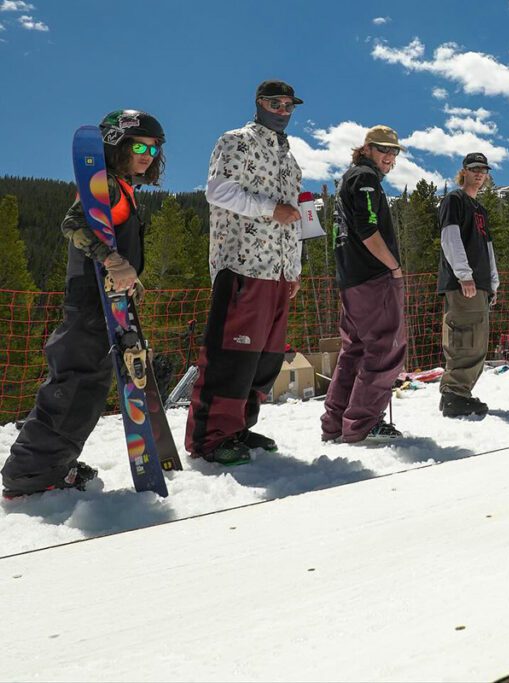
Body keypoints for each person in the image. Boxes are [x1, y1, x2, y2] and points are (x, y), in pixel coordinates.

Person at [2, 110, 165, 497]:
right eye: (139, 146)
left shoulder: (121, 188)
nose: (147, 154)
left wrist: (128, 279)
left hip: (103, 302)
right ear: (116, 145)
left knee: (87, 386)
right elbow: (73, 224)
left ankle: (47, 463)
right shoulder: (105, 185)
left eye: (154, 149)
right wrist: (112, 261)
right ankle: (31, 473)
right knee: (76, 384)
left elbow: (108, 239)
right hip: (90, 305)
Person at [185, 80, 304, 466]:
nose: (283, 110)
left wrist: (295, 269)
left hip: (279, 269)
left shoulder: (289, 157)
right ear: (258, 104)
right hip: (243, 262)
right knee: (232, 355)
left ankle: (238, 427)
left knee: (264, 359)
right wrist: (270, 209)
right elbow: (218, 191)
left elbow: (296, 216)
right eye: (276, 103)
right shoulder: (237, 140)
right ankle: (209, 438)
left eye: (288, 104)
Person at [321, 126, 407, 442]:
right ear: (367, 148)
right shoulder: (365, 179)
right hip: (373, 277)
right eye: (383, 149)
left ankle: (336, 424)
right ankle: (363, 424)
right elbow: (368, 229)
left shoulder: (349, 178)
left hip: (351, 278)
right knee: (385, 349)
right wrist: (394, 267)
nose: (389, 157)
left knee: (354, 351)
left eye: (394, 151)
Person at [436, 153, 500, 418]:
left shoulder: (479, 209)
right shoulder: (455, 199)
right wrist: (464, 274)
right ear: (464, 172)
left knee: (477, 342)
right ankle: (454, 394)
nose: (479, 173)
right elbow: (449, 237)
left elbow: (487, 248)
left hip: (480, 284)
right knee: (464, 338)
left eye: (483, 169)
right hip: (465, 283)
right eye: (474, 169)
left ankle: (461, 392)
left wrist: (493, 281)